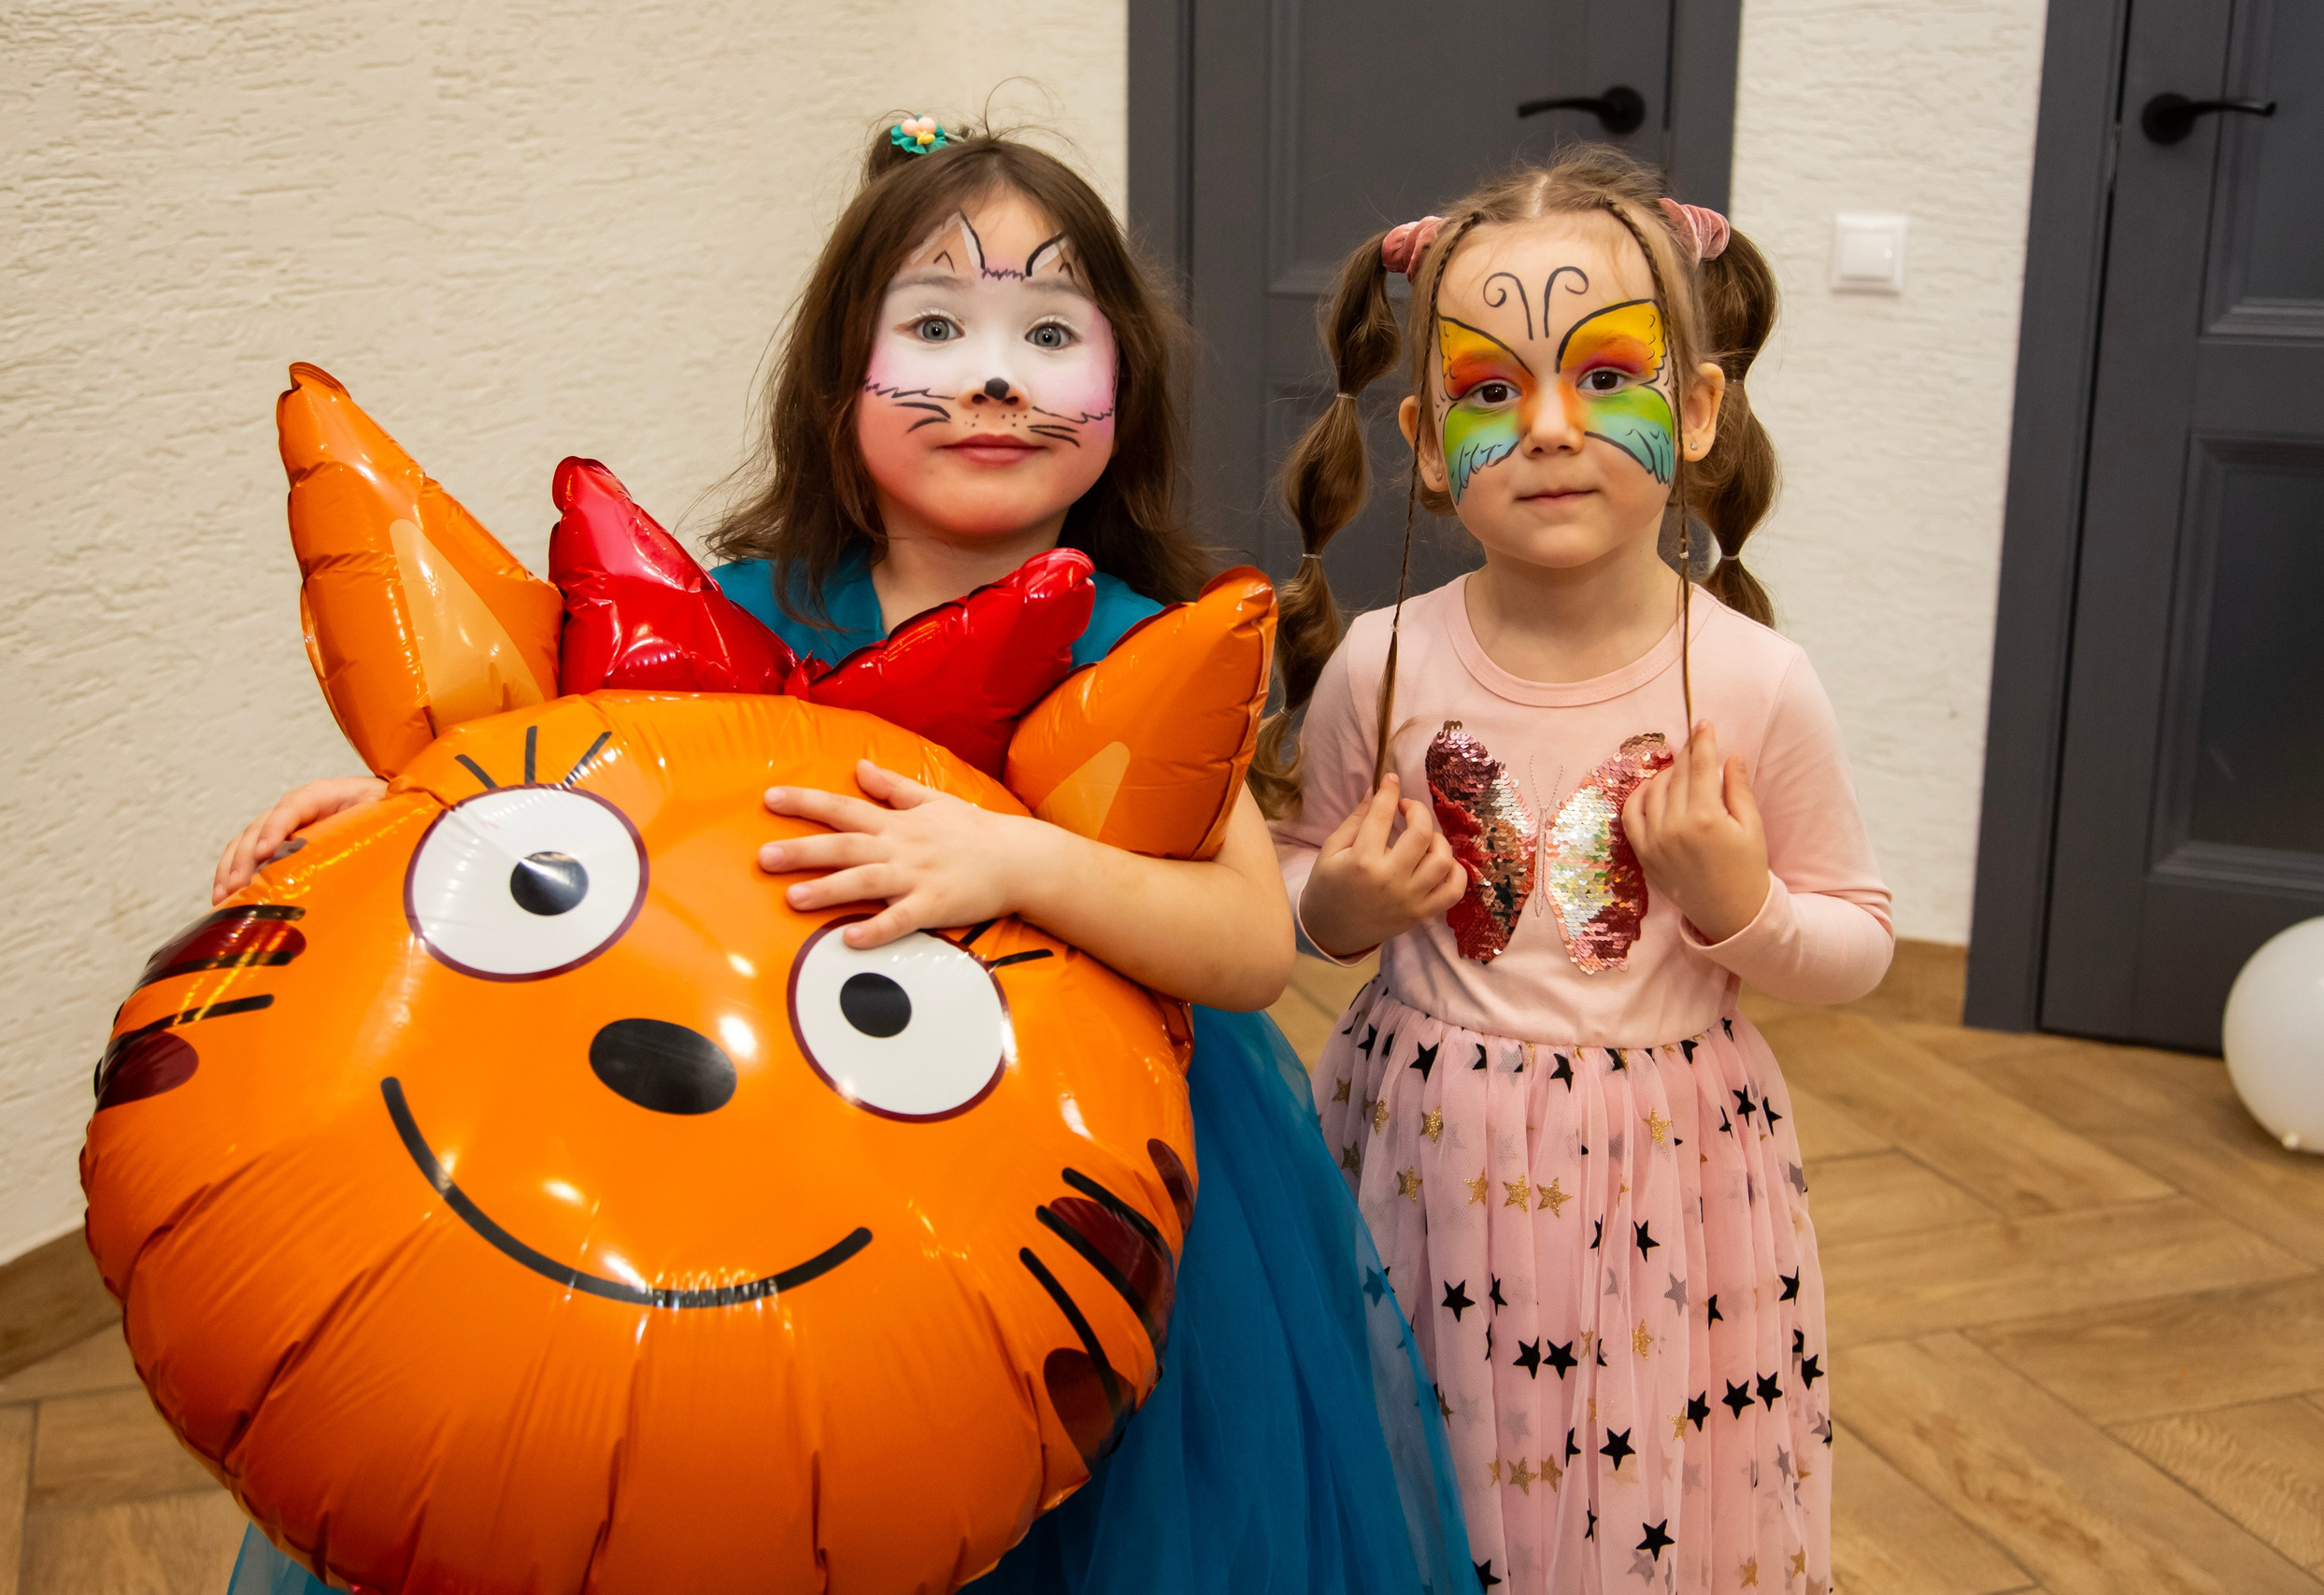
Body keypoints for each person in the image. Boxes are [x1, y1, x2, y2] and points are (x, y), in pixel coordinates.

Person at [219, 120, 1475, 1595]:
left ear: (1120, 392)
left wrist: (1016, 860)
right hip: (751, 1163)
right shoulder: (725, 614)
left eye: (1049, 332)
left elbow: (1251, 948)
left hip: (1059, 1213)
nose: (994, 374)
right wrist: (381, 829)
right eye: (935, 327)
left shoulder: (1153, 652)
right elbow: (552, 797)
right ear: (838, 388)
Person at [1261, 145, 1892, 1595]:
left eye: (1604, 374)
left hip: (1670, 1181)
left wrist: (1740, 904)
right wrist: (1337, 909)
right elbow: (1294, 891)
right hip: (1422, 1164)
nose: (1547, 428)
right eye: (1492, 391)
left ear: (1700, 408)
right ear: (1427, 441)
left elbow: (1857, 941)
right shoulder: (1382, 660)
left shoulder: (1753, 682)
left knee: (1633, 1496)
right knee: (1430, 1472)